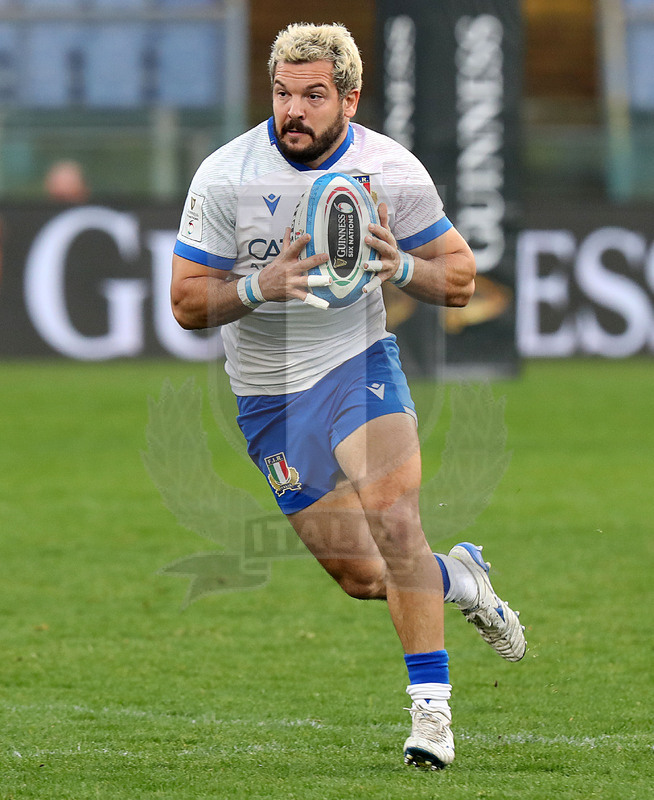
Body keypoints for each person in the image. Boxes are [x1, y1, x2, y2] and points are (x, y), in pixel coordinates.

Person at [171, 22, 526, 770]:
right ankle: (461, 578)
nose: (292, 110)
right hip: (268, 395)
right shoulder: (227, 174)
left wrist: (402, 269)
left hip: (354, 362)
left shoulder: (389, 170)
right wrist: (258, 285)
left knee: (396, 519)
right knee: (363, 576)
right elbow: (184, 303)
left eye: (312, 95)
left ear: (349, 97)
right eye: (281, 93)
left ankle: (431, 712)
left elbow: (461, 280)